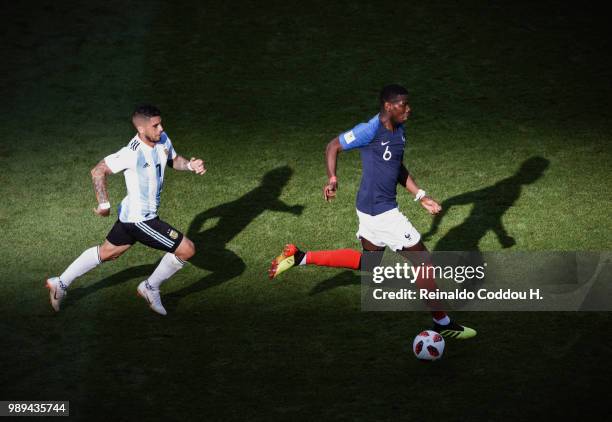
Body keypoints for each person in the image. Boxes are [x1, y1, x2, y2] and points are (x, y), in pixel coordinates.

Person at [268, 84, 476, 339]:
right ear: (389, 106)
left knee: (370, 262)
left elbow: (396, 166)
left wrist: (420, 195)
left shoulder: (399, 131)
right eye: (404, 105)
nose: (409, 109)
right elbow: (332, 146)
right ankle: (442, 323)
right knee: (423, 262)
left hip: (368, 209)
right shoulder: (370, 130)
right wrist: (332, 178)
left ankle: (299, 256)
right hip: (382, 212)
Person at [46, 104, 206, 315]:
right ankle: (149, 287)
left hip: (131, 214)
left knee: (108, 252)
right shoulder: (132, 153)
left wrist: (189, 166)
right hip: (140, 219)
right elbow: (98, 170)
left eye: (161, 124)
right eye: (156, 125)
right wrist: (104, 204)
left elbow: (173, 159)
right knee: (187, 249)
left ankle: (60, 282)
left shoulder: (163, 139)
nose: (161, 129)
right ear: (141, 129)